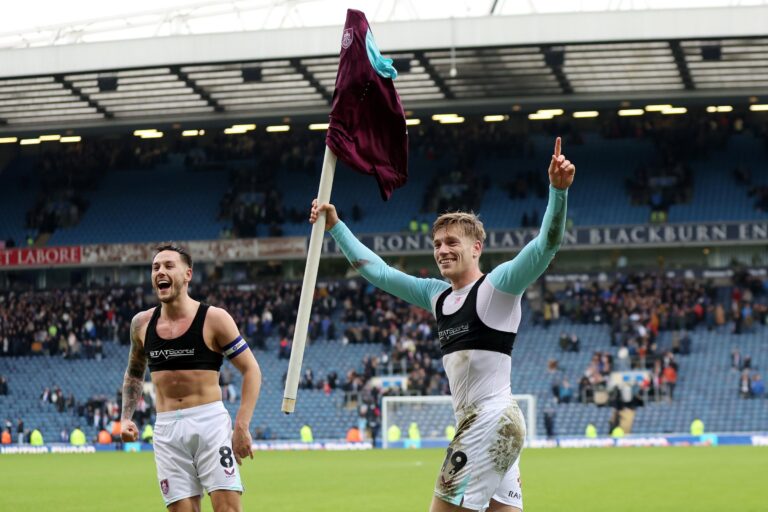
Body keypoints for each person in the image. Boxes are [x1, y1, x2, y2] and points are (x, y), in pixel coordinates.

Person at [310, 137, 575, 512]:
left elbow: (545, 246)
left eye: (452, 242)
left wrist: (557, 192)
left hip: (490, 419)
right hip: (493, 424)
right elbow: (379, 272)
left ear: (476, 248)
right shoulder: (437, 296)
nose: (442, 250)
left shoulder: (497, 287)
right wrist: (336, 226)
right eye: (436, 244)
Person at [120, 243, 262, 512]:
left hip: (209, 423)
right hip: (166, 429)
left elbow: (251, 370)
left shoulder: (214, 319)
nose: (160, 271)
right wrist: (126, 417)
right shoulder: (141, 324)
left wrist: (242, 426)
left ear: (188, 274)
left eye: (169, 266)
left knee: (228, 509)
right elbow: (134, 373)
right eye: (156, 267)